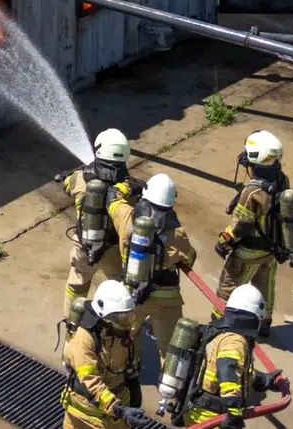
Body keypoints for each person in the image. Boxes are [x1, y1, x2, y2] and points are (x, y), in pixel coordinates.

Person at [214, 130, 291, 339]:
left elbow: (242, 224)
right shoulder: (283, 180)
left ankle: (218, 324)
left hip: (248, 251)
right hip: (272, 249)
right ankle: (264, 323)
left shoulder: (252, 192)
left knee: (228, 288)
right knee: (266, 286)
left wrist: (225, 240)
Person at [60, 129, 143, 318]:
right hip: (113, 251)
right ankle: (119, 322)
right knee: (122, 293)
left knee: (76, 285)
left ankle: (72, 324)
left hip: (83, 246)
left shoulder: (79, 178)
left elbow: (67, 186)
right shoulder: (128, 188)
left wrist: (70, 176)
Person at [122, 173, 197, 377]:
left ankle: (130, 369)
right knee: (171, 350)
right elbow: (190, 258)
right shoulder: (178, 234)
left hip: (135, 295)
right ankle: (172, 395)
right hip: (168, 298)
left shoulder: (131, 223)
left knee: (124, 336)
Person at [184, 285, 288, 428]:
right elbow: (228, 371)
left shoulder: (220, 331)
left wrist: (263, 380)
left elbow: (231, 370)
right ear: (256, 316)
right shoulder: (235, 340)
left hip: (196, 412)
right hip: (212, 418)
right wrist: (234, 414)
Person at [60, 280, 154, 429]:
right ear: (105, 317)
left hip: (115, 414)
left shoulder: (122, 334)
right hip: (86, 416)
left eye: (128, 316)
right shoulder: (84, 339)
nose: (127, 322)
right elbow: (91, 382)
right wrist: (119, 409)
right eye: (121, 318)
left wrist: (134, 392)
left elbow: (129, 365)